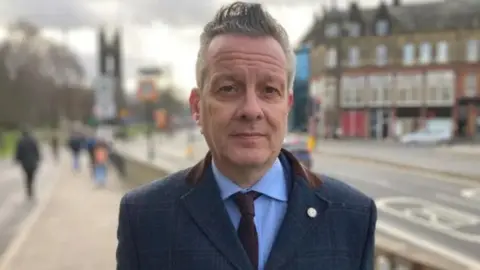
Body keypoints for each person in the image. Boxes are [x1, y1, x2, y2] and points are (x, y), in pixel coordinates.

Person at [116, 2, 377, 270]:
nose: (251, 110)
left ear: (287, 106)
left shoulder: (352, 216)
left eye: (269, 90)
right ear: (197, 107)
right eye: (228, 88)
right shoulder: (145, 217)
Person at [14, 129, 41, 200]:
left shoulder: (21, 141)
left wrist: (17, 159)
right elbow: (37, 150)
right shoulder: (33, 140)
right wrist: (38, 157)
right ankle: (30, 186)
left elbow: (18, 151)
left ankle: (29, 187)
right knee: (31, 175)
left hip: (25, 162)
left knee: (27, 175)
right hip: (33, 161)